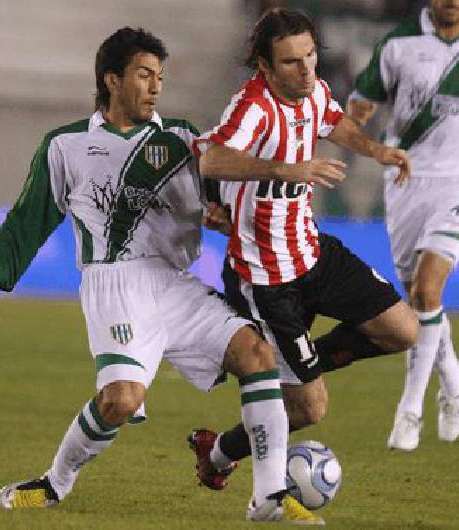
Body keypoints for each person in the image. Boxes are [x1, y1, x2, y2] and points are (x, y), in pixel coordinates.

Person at [0, 27, 324, 524]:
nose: (156, 85)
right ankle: (54, 483)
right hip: (113, 283)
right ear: (112, 80)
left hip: (172, 282)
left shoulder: (183, 139)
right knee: (120, 401)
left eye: (160, 76)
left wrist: (218, 213)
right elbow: (24, 225)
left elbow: (222, 197)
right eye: (145, 74)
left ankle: (269, 496)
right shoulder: (66, 146)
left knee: (256, 354)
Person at [186, 7, 419, 490]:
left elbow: (334, 122)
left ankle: (293, 371)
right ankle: (224, 452)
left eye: (311, 55)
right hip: (268, 279)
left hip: (312, 252)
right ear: (267, 68)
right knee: (310, 410)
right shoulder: (253, 106)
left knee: (403, 331)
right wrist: (286, 170)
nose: (307, 69)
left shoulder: (312, 89)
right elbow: (211, 158)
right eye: (291, 62)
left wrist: (378, 152)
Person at [347, 0, 459, 451]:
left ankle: (410, 412)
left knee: (426, 292)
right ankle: (455, 380)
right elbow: (359, 107)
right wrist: (352, 140)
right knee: (422, 302)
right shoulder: (399, 44)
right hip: (405, 182)